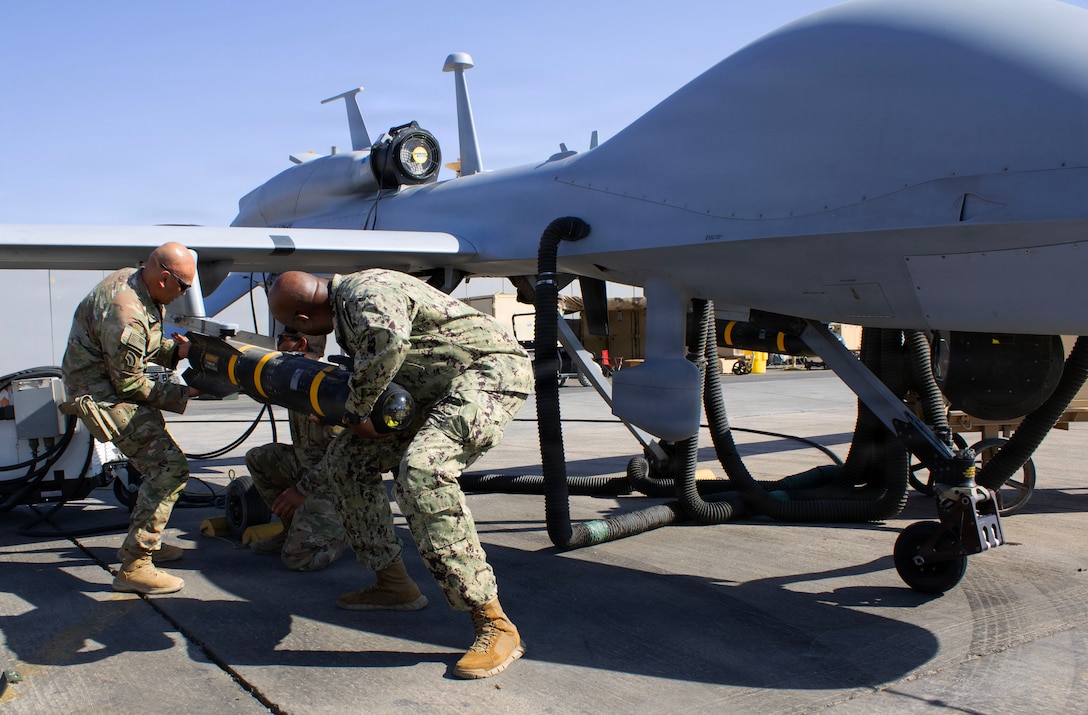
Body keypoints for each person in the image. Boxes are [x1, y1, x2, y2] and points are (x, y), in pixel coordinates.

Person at [267, 268, 533, 680]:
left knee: (423, 472)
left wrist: (354, 412)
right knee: (347, 461)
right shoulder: (348, 305)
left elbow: (388, 343)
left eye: (294, 327)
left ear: (303, 319)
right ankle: (394, 583)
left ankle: (494, 623)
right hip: (436, 390)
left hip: (487, 375)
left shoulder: (363, 293)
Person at [61, 242, 199, 595]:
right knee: (169, 468)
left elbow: (142, 346)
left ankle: (146, 540)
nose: (184, 293)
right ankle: (135, 565)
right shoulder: (126, 311)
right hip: (104, 395)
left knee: (158, 463)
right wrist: (186, 394)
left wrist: (177, 351)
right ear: (165, 278)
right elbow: (130, 382)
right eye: (184, 286)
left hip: (108, 384)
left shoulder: (136, 282)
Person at [245, 328, 347, 570]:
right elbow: (261, 391)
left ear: (300, 344)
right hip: (306, 469)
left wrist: (302, 490)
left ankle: (345, 533)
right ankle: (291, 528)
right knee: (259, 458)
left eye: (282, 339)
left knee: (298, 558)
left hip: (336, 485)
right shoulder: (295, 379)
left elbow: (342, 461)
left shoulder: (330, 389)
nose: (277, 344)